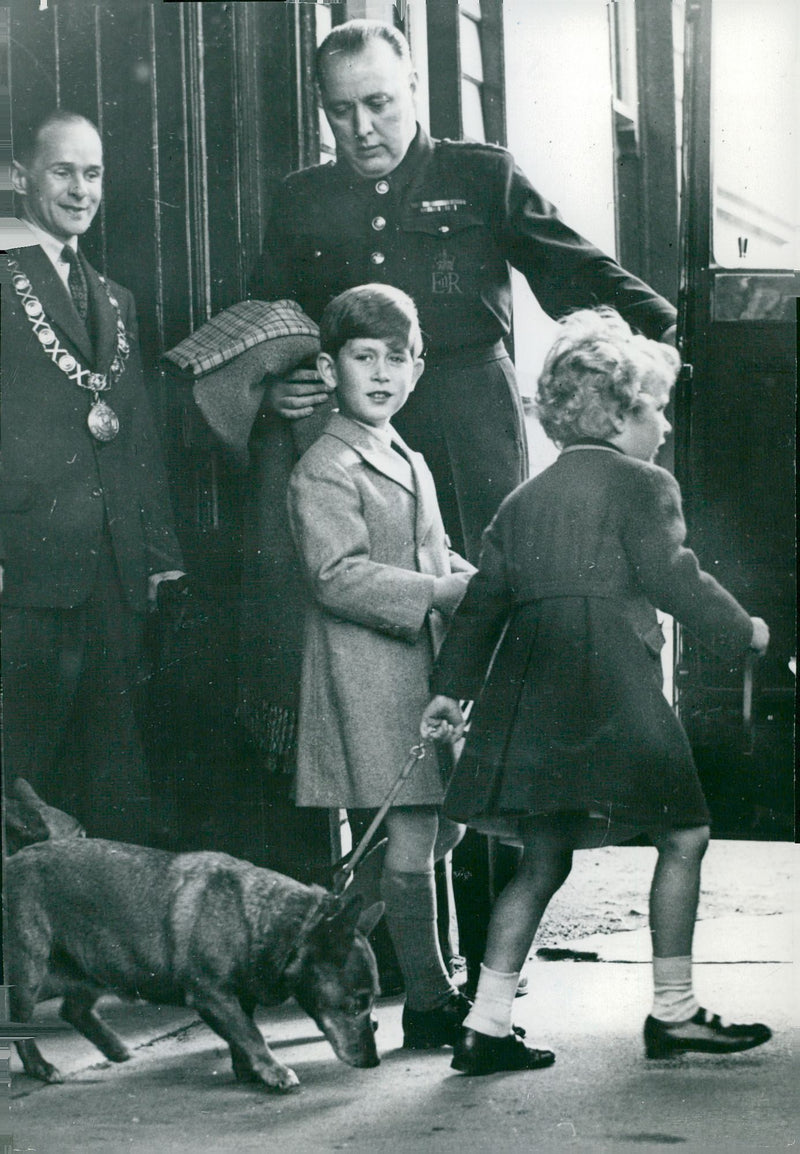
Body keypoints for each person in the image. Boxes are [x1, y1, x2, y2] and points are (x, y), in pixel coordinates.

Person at [249, 16, 680, 987]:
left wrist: (659, 334)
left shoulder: (480, 174)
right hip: (358, 461)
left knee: (483, 663)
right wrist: (273, 381)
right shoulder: (301, 202)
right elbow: (263, 322)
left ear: (413, 95)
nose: (362, 128)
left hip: (468, 438)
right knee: (380, 681)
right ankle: (400, 950)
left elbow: (569, 265)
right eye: (342, 111)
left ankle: (492, 934)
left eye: (380, 105)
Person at [421, 307, 772, 1075]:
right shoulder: (645, 486)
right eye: (656, 408)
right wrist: (743, 629)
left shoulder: (522, 500)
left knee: (542, 856)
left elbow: (483, 606)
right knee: (683, 835)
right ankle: (674, 1012)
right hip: (610, 679)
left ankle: (484, 1023)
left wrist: (451, 692)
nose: (667, 427)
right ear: (618, 412)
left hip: (532, 692)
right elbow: (675, 579)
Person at [287, 284, 476, 1047]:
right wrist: (439, 590)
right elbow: (336, 576)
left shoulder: (403, 451)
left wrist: (475, 581)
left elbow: (427, 550)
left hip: (414, 667)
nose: (381, 373)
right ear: (330, 370)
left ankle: (305, 942)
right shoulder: (323, 466)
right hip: (367, 670)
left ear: (418, 368)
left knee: (446, 826)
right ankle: (431, 1000)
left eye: (397, 358)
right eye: (363, 357)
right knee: (415, 825)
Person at [1, 110, 185, 844]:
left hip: (110, 572)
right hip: (24, 572)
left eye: (93, 172)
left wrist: (160, 553)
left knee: (111, 773)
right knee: (17, 773)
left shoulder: (113, 296)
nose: (81, 189)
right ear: (21, 177)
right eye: (62, 171)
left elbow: (133, 432)